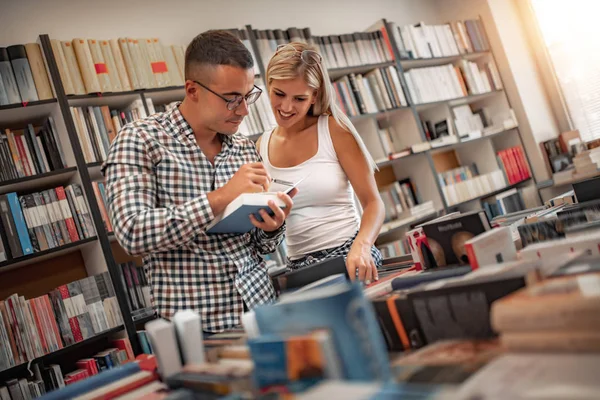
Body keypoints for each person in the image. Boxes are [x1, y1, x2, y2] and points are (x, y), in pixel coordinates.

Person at [102, 30, 295, 334]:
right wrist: (220, 197)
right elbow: (132, 232)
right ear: (192, 90)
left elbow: (257, 246)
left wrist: (272, 227)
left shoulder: (243, 146)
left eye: (248, 96)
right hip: (199, 326)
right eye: (232, 99)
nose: (244, 110)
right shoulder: (139, 139)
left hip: (261, 308)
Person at [258, 42, 385, 284]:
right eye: (279, 94)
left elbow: (374, 203)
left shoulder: (334, 130)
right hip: (297, 268)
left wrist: (363, 246)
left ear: (314, 95)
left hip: (349, 255)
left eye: (299, 98)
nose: (286, 107)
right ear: (268, 85)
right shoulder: (261, 146)